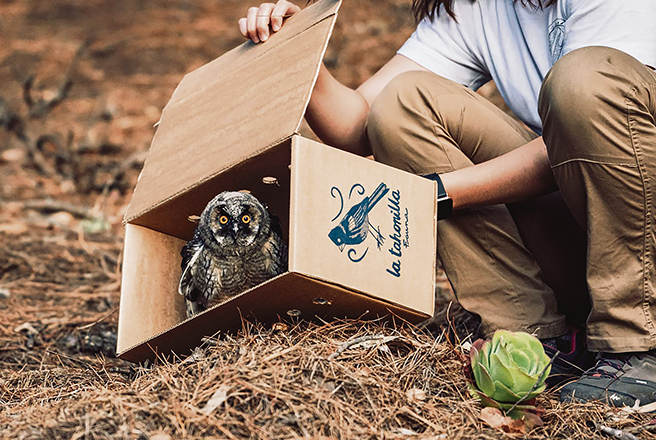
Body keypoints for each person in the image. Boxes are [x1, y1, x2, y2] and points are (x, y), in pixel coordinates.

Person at [239, 0, 656, 406]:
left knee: (582, 81)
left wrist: (434, 194)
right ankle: (533, 340)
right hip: (589, 242)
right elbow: (356, 125)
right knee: (405, 102)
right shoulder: (478, 8)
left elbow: (587, 147)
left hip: (643, 252)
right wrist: (299, 51)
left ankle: (639, 343)